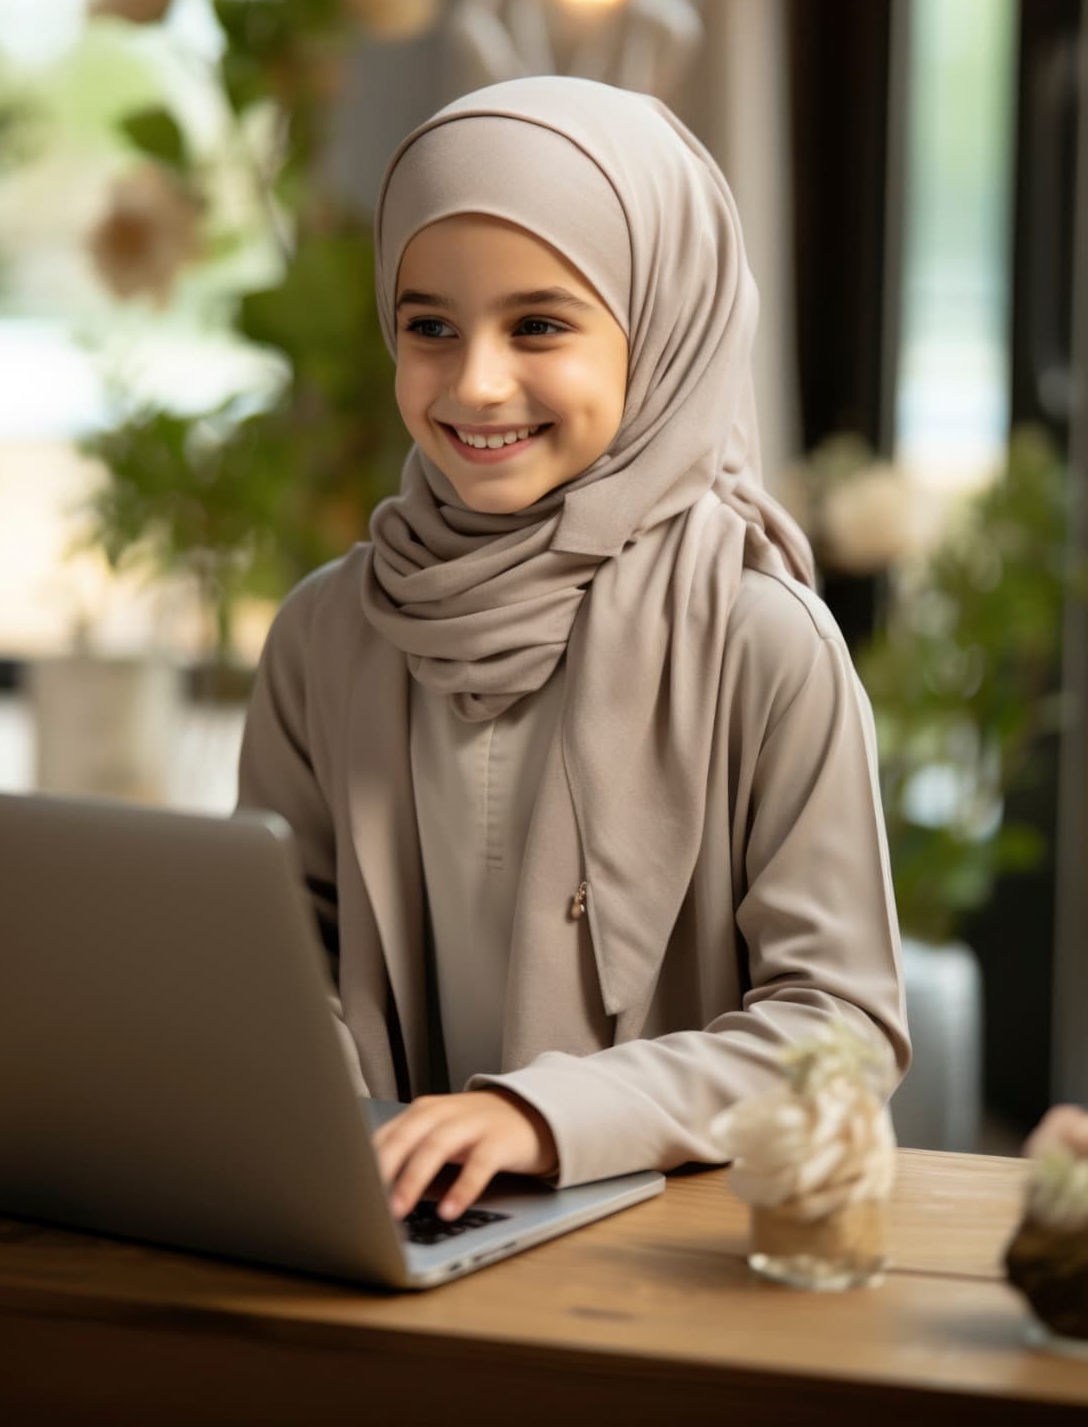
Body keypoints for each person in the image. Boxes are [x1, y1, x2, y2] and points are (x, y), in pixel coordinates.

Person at [237, 74, 911, 1226]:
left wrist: (544, 1120)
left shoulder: (763, 643)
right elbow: (278, 967)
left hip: (673, 1257)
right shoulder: (326, 632)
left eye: (538, 325)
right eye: (428, 326)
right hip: (391, 1234)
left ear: (661, 326)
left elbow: (840, 1030)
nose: (475, 382)